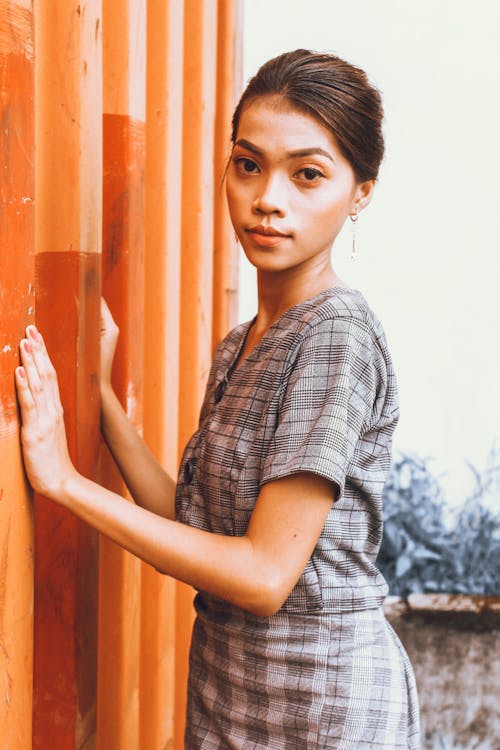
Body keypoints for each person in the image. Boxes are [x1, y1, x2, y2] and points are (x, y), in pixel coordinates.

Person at [15, 49, 420, 749]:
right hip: (230, 691)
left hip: (321, 706)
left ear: (361, 192)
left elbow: (263, 575)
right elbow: (196, 522)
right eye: (248, 164)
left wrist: (66, 485)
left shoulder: (336, 336)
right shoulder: (243, 342)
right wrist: (99, 401)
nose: (269, 198)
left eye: (308, 175)